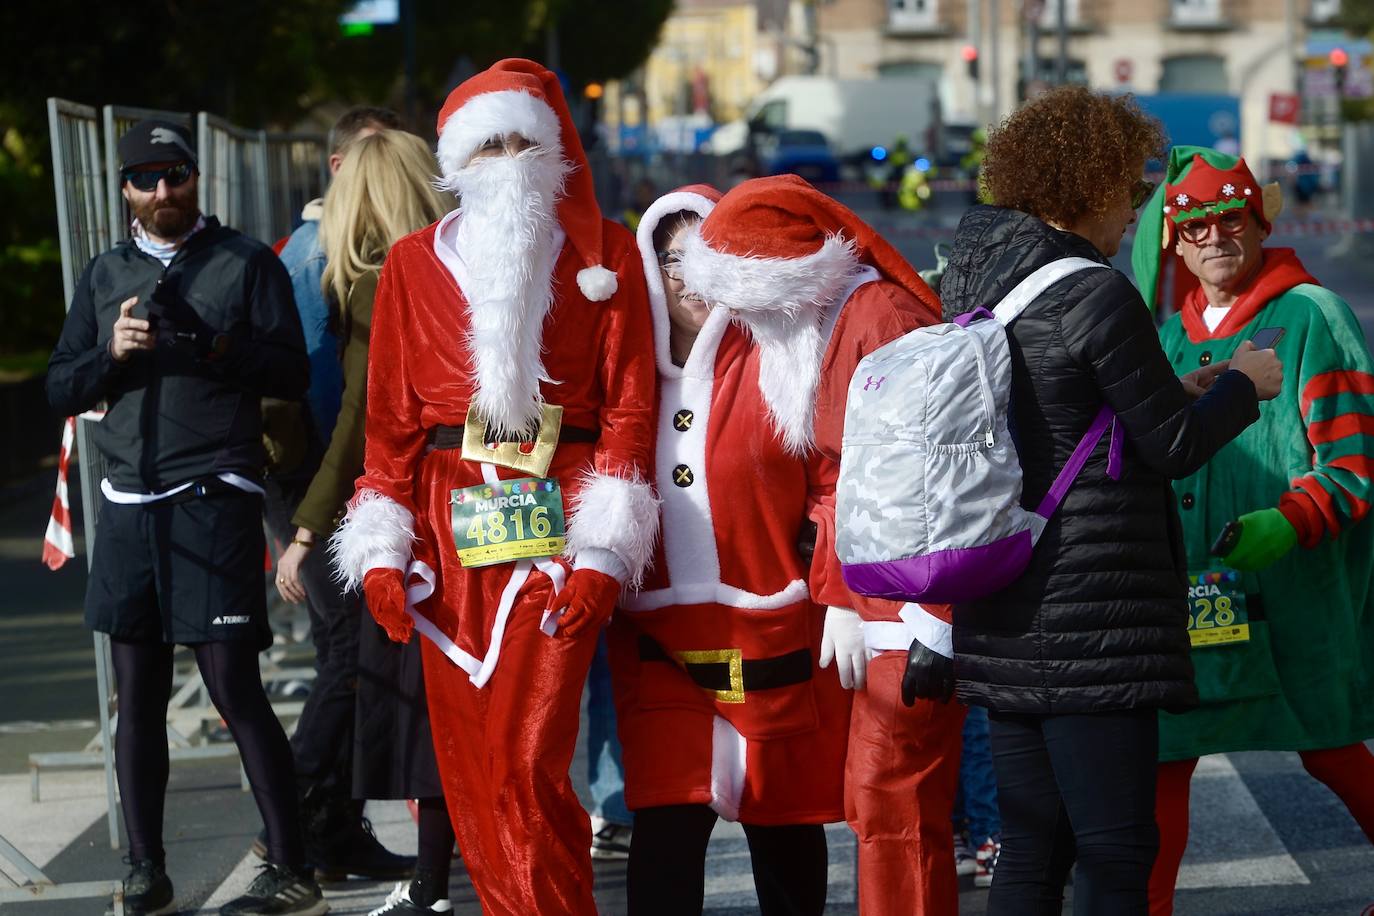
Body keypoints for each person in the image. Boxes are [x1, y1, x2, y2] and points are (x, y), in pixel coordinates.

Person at [934, 87, 1283, 915]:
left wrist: (1175, 386)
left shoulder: (981, 281)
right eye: (1128, 187)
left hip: (1003, 601)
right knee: (1117, 849)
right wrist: (1240, 385)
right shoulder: (1093, 290)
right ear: (1087, 186)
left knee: (1030, 848)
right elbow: (1173, 446)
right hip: (1095, 613)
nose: (1134, 209)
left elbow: (1064, 410)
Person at [329, 59, 657, 915]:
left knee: (531, 756)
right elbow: (389, 422)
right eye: (489, 145)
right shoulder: (410, 263)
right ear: (457, 164)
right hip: (446, 535)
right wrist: (380, 550)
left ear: (552, 154)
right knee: (472, 770)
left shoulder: (609, 258)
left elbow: (629, 410)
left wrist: (602, 552)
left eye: (524, 142)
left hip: (557, 530)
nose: (509, 160)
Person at [45, 119, 323, 915]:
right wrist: (112, 355)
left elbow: (289, 373)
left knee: (233, 684)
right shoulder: (106, 275)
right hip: (130, 503)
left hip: (213, 494)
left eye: (177, 176)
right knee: (136, 694)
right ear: (125, 190)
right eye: (148, 180)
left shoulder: (243, 262)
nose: (165, 192)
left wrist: (210, 346)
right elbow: (62, 389)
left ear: (195, 178)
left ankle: (293, 867)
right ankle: (145, 869)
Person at [670, 174, 962, 916]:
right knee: (880, 807)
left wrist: (930, 619)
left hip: (906, 607)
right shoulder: (839, 318)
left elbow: (934, 474)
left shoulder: (879, 318)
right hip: (881, 599)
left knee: (893, 806)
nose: (742, 319)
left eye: (751, 297)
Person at [1130, 146, 1374, 916]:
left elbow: (1354, 462)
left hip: (1296, 588)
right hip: (1190, 586)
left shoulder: (1311, 316)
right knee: (1166, 757)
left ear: (1259, 219)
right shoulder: (1168, 334)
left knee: (1329, 744)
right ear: (1173, 240)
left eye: (1230, 219)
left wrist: (1290, 519)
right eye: (1195, 226)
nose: (1214, 238)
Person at [610, 182, 849, 914]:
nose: (691, 279)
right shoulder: (622, 372)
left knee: (784, 825)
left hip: (772, 630)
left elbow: (833, 476)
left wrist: (836, 582)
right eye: (675, 260)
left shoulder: (782, 354)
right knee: (666, 825)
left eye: (709, 256)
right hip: (661, 642)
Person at [287, 129, 457, 914]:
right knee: (459, 692)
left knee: (384, 683)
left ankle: (289, 829)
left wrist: (306, 525)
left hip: (403, 509)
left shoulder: (378, 278)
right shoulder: (456, 260)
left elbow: (359, 412)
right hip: (479, 496)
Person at [265, 104, 414, 884]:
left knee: (352, 659)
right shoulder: (313, 259)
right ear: (341, 169)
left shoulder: (358, 253)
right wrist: (307, 517)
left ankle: (328, 831)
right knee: (349, 659)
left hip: (335, 486)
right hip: (317, 484)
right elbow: (329, 405)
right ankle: (287, 821)